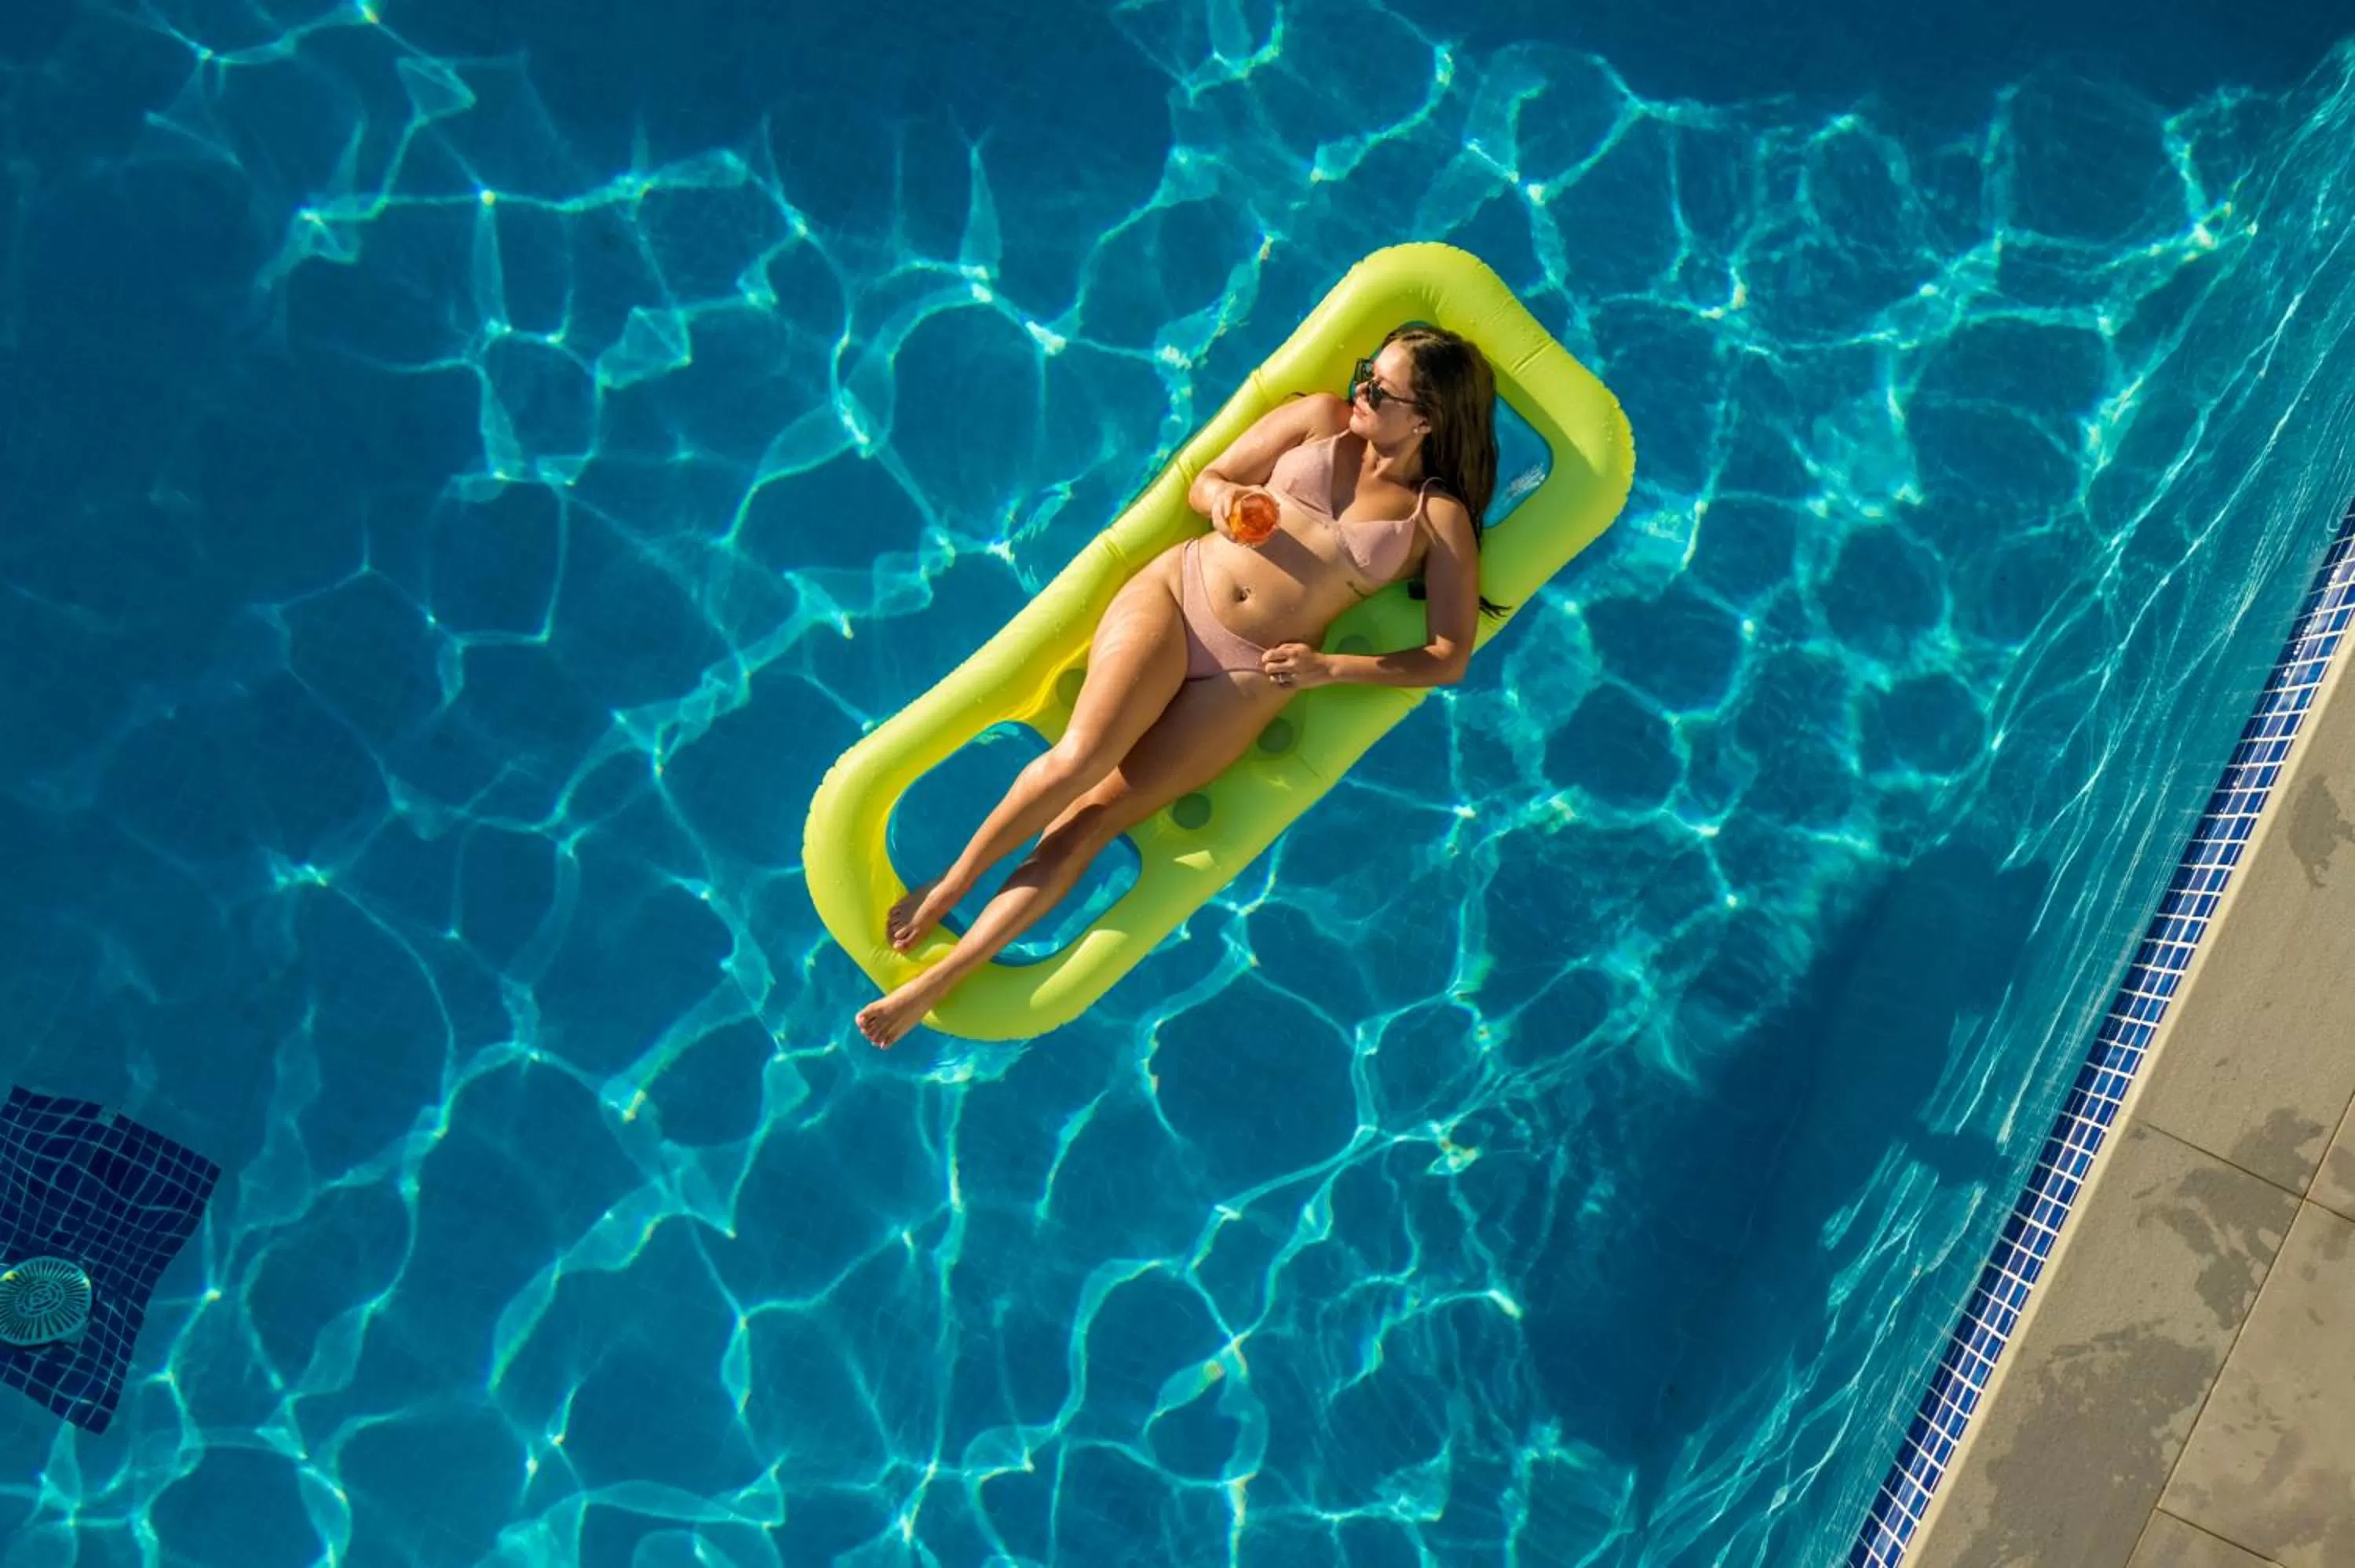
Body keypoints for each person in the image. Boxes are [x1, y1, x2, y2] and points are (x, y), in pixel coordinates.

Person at [853, 323, 1507, 1047]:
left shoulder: (1435, 517)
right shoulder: (1320, 419)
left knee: (1091, 823)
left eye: (1381, 390)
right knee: (1080, 759)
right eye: (1365, 373)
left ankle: (939, 980)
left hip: (1248, 676)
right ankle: (951, 887)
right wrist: (1227, 502)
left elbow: (1448, 655)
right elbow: (1205, 478)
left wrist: (1329, 669)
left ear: (1426, 417)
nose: (1361, 390)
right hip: (1181, 594)